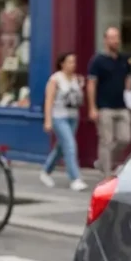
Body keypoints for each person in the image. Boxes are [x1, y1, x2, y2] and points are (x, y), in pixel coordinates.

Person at [86, 27, 131, 176]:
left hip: (122, 105)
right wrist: (92, 108)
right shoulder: (97, 60)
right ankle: (107, 174)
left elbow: (128, 78)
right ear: (105, 40)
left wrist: (129, 95)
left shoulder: (124, 58)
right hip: (104, 106)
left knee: (125, 139)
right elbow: (91, 84)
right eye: (112, 38)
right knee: (106, 140)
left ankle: (102, 161)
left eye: (117, 37)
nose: (116, 41)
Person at [40, 52, 88, 191]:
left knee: (61, 147)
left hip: (73, 117)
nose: (73, 65)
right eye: (70, 62)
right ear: (62, 64)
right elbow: (49, 101)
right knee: (70, 145)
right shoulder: (55, 79)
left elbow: (79, 99)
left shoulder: (76, 79)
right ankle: (75, 178)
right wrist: (48, 120)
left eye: (74, 62)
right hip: (58, 117)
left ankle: (46, 171)